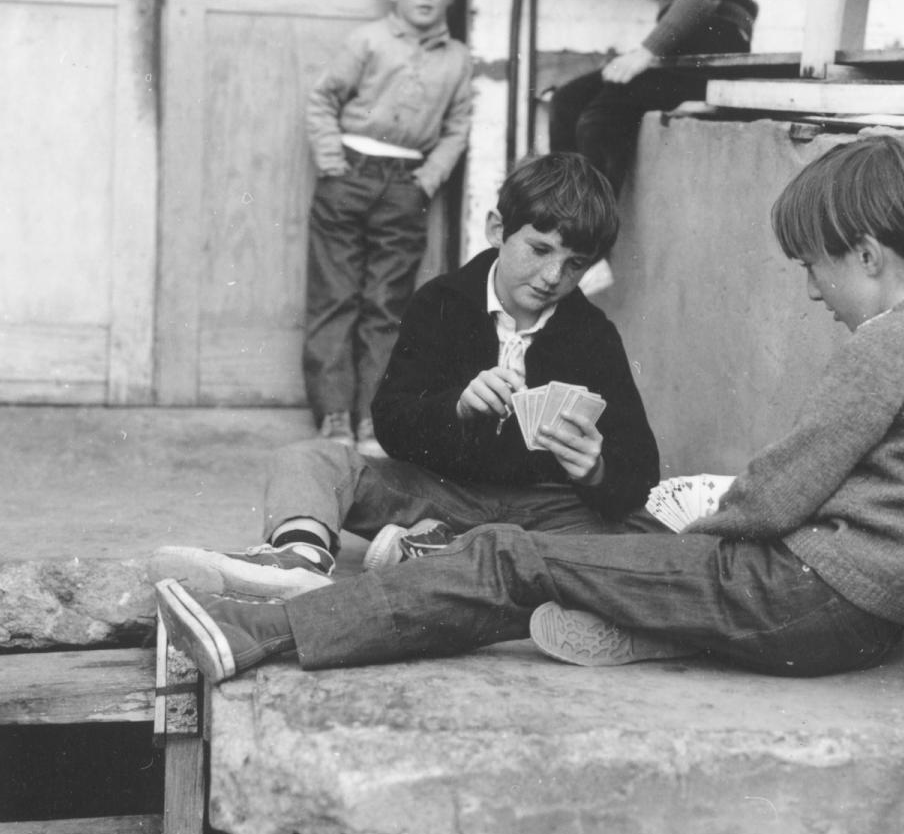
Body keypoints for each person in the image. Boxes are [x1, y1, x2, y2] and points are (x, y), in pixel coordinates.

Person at [155, 136, 904, 686]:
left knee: (512, 557)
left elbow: (783, 490)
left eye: (814, 268)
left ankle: (262, 631)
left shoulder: (887, 347)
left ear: (867, 254)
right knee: (535, 566)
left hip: (799, 596)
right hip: (854, 619)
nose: (815, 292)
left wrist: (686, 539)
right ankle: (635, 618)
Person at [151, 152, 661, 600]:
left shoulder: (593, 335)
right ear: (497, 230)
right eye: (540, 250)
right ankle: (298, 563)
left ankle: (438, 552)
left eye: (575, 265)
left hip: (541, 509)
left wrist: (596, 470)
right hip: (444, 492)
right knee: (310, 460)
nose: (553, 277)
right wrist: (456, 407)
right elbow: (391, 423)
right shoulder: (441, 302)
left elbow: (641, 469)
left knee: (647, 532)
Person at [549, 0, 758, 292]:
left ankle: (589, 249)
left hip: (710, 53)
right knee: (567, 101)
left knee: (599, 118)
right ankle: (564, 226)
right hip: (682, 55)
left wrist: (646, 52)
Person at [303, 0, 472, 452]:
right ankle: (334, 414)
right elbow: (323, 99)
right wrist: (332, 162)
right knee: (335, 298)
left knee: (387, 305)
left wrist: (426, 180)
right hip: (347, 178)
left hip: (404, 189)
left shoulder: (457, 59)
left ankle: (373, 419)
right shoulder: (368, 41)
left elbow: (457, 128)